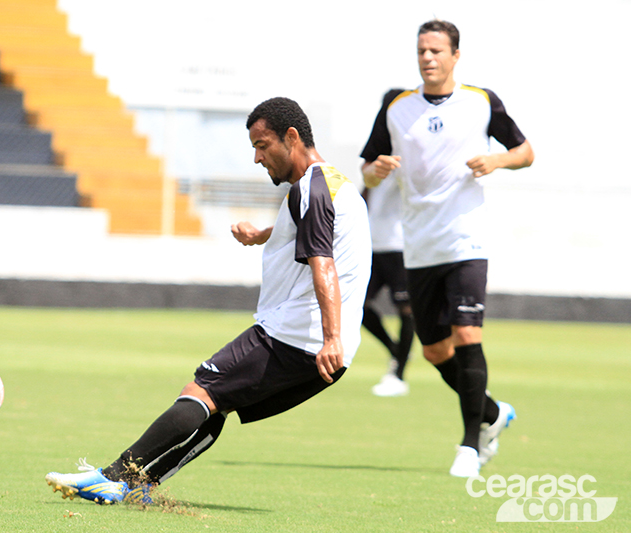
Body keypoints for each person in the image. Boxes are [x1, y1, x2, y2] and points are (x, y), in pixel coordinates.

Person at [45, 97, 371, 504]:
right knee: (218, 405)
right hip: (328, 349)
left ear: (291, 138)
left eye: (262, 145)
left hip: (297, 336)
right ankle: (137, 487)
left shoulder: (311, 190)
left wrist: (330, 336)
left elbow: (323, 263)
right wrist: (265, 235)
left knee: (201, 391)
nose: (256, 157)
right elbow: (319, 231)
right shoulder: (334, 186)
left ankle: (111, 476)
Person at [360, 20, 534, 478]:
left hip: (466, 239)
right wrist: (376, 169)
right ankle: (493, 414)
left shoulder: (481, 102)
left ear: (456, 55)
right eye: (422, 50)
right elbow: (367, 170)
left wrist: (497, 159)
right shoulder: (398, 109)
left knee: (468, 335)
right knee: (436, 351)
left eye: (437, 50)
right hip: (418, 245)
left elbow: (525, 151)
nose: (428, 58)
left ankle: (470, 446)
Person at [361, 165, 414, 397]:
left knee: (406, 309)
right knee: (356, 304)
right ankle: (396, 350)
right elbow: (364, 197)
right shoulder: (373, 168)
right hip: (372, 247)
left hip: (399, 246)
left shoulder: (404, 165)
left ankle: (399, 375)